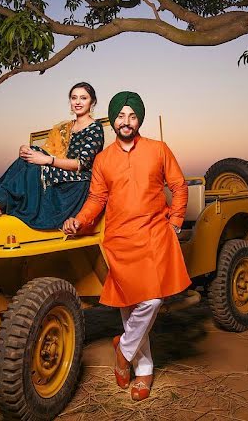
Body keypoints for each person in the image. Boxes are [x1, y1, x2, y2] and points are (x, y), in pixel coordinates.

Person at [62, 91, 190, 401]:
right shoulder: (103, 159)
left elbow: (179, 186)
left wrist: (175, 223)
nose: (126, 121)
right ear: (114, 120)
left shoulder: (159, 150)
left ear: (139, 120)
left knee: (153, 299)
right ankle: (143, 372)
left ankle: (124, 348)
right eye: (121, 116)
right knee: (130, 304)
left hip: (155, 234)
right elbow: (97, 199)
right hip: (119, 238)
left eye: (132, 116)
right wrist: (79, 220)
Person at [0, 82, 104, 230]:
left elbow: (82, 164)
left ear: (92, 102)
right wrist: (26, 151)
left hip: (78, 180)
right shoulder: (65, 128)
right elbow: (47, 150)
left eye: (83, 98)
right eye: (74, 98)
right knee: (31, 153)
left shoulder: (95, 128)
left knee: (35, 166)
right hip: (59, 171)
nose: (78, 102)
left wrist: (47, 159)